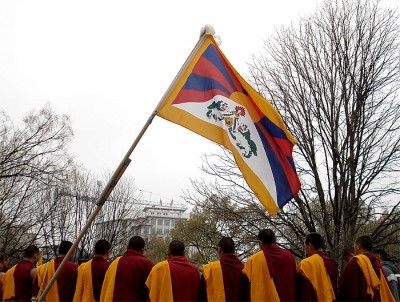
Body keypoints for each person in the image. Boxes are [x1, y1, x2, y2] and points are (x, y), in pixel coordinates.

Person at [242, 229, 296, 301]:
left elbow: (247, 287)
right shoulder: (289, 256)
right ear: (275, 241)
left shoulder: (253, 260)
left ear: (260, 242)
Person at [337, 235, 395, 301]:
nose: (354, 248)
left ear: (359, 246)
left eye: (354, 246)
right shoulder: (376, 262)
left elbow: (345, 283)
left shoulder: (356, 261)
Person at [100, 236, 153, 301]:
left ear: (127, 247)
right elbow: (151, 292)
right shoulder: (146, 264)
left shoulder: (115, 262)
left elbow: (106, 287)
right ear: (142, 250)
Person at [200, 237, 248, 301]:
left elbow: (202, 296)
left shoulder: (210, 269)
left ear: (220, 250)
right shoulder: (245, 269)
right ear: (234, 250)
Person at [296, 232, 338, 301]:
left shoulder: (305, 264)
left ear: (309, 245)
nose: (305, 250)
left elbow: (302, 291)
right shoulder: (332, 263)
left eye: (305, 246)